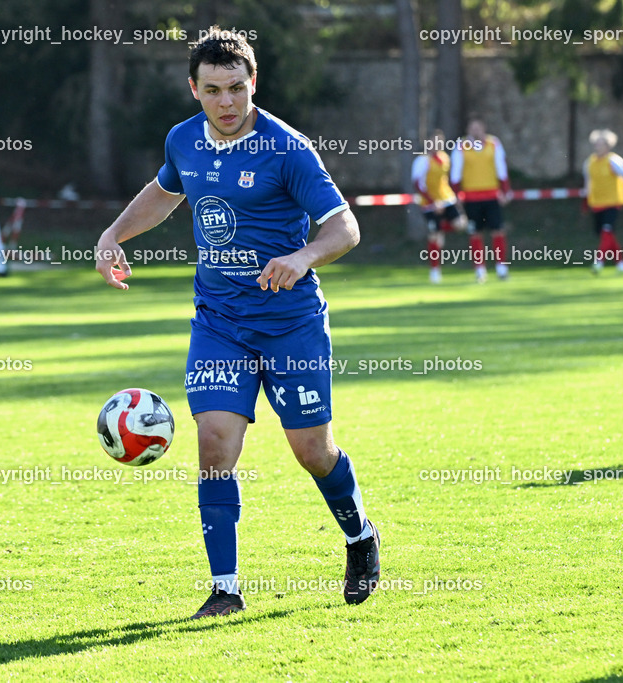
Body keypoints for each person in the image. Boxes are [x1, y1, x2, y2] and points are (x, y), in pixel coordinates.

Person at [94, 27, 380, 619]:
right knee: (215, 445)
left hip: (290, 324)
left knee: (311, 450)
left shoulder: (287, 149)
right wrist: (113, 233)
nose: (226, 102)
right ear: (193, 89)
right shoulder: (183, 141)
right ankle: (225, 589)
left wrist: (301, 258)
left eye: (236, 88)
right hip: (219, 322)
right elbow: (163, 191)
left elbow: (344, 228)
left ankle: (359, 537)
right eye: (213, 90)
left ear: (254, 84)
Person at [450, 116, 512, 283]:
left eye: (478, 127)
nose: (476, 131)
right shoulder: (461, 146)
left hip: (491, 195)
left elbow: (501, 168)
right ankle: (480, 269)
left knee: (497, 230)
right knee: (475, 233)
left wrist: (505, 190)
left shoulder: (494, 143)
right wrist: (455, 194)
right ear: (468, 130)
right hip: (471, 197)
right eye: (472, 128)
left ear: (483, 128)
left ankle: (501, 267)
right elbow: (456, 171)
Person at [583, 129, 623, 273]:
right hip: (597, 203)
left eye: (601, 144)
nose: (598, 147)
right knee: (607, 234)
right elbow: (588, 184)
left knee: (607, 230)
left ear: (608, 145)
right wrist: (585, 203)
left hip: (613, 202)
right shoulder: (589, 163)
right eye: (596, 144)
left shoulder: (614, 161)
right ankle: (621, 263)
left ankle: (599, 262)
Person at [412, 130, 467, 283]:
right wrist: (432, 202)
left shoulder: (444, 158)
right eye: (434, 141)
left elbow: (444, 181)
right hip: (429, 205)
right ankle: (435, 271)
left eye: (440, 141)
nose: (437, 145)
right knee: (434, 237)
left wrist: (453, 197)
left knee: (461, 224)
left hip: (446, 200)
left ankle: (440, 227)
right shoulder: (422, 161)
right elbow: (418, 184)